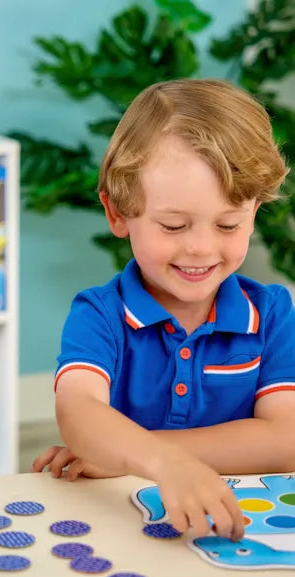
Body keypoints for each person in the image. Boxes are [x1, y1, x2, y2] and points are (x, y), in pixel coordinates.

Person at [32, 78, 295, 541]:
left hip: (242, 530)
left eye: (228, 224)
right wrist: (161, 463)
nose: (201, 248)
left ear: (253, 213)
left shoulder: (272, 314)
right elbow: (78, 413)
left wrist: (145, 456)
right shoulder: (100, 314)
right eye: (173, 225)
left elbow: (285, 441)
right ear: (118, 214)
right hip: (124, 527)